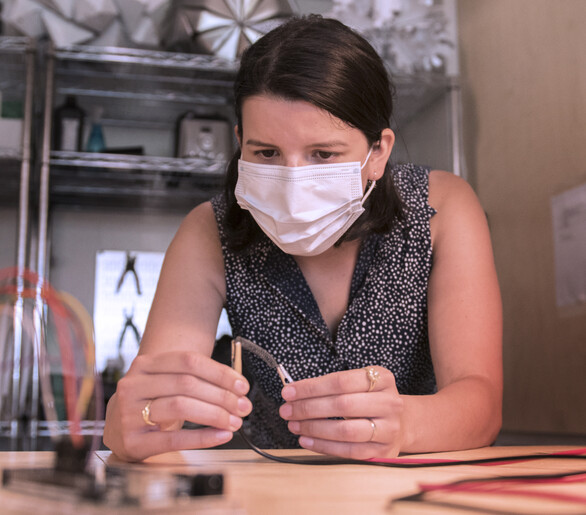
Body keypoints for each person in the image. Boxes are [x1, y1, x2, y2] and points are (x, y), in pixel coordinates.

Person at [102, 15, 502, 462]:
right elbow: (152, 396)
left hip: (414, 485)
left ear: (378, 153)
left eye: (323, 155)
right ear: (240, 143)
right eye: (266, 153)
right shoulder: (207, 232)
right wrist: (135, 418)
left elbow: (480, 403)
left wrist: (406, 425)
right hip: (274, 491)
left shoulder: (440, 210)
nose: (293, 184)